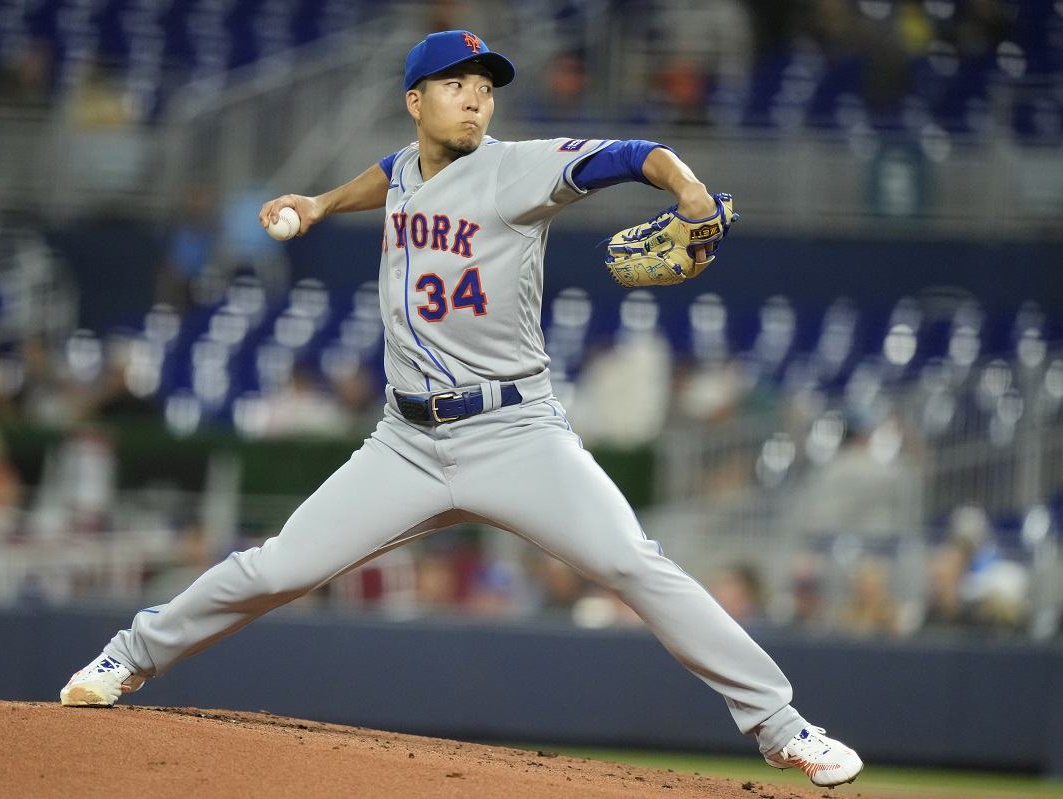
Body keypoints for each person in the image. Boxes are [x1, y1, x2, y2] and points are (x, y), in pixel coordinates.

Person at [60, 30, 862, 788]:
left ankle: (783, 725)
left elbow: (630, 155)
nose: (477, 100)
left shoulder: (518, 168)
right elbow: (389, 177)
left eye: (485, 89)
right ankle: (127, 655)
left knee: (631, 562)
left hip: (515, 433)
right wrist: (318, 203)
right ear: (416, 102)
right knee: (276, 567)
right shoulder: (409, 171)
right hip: (404, 442)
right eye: (457, 86)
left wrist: (685, 188)